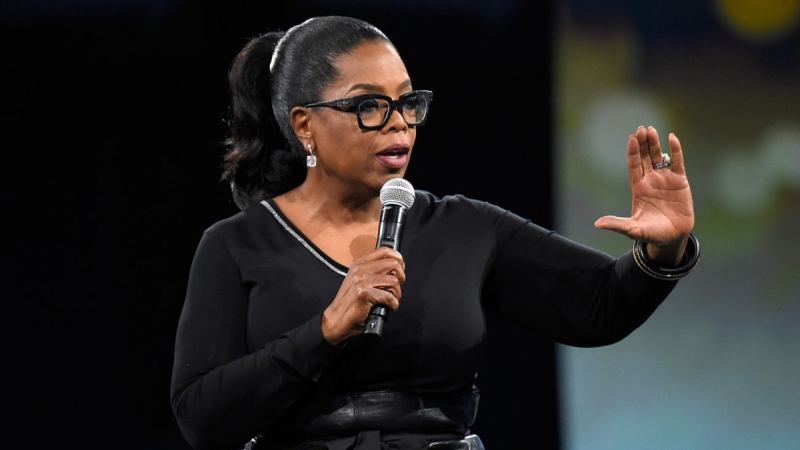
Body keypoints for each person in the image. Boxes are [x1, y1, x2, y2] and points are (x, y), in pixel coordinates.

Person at [170, 16, 700, 450]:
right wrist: (325, 330)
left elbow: (598, 305)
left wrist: (663, 248)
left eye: (407, 103)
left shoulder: (464, 226)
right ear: (304, 124)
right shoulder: (236, 246)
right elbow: (202, 418)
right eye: (369, 106)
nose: (399, 123)